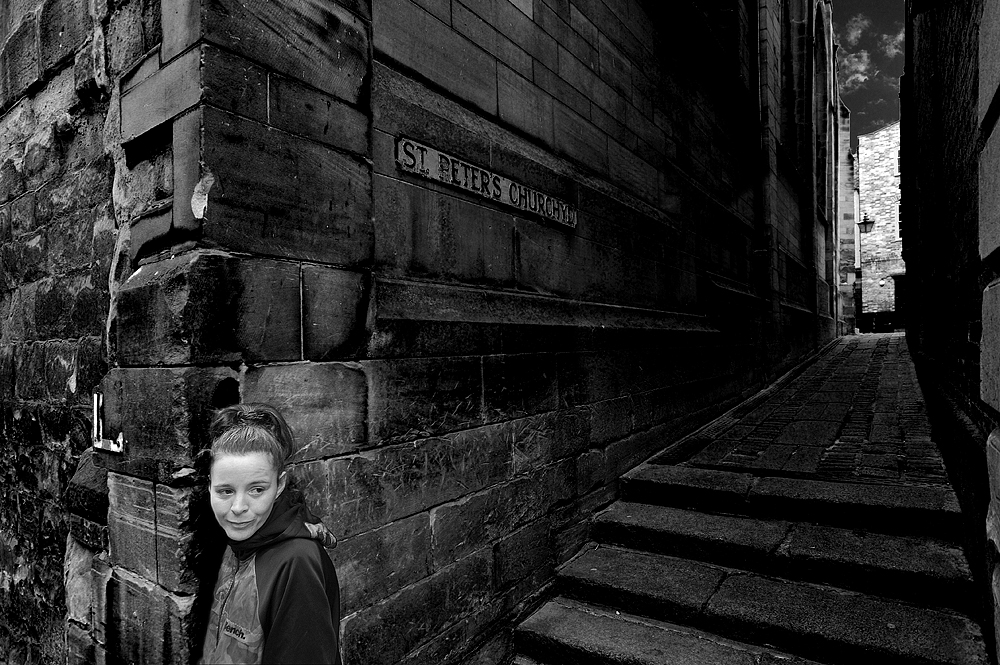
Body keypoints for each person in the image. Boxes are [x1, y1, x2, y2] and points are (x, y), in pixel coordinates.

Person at [200, 403, 341, 664]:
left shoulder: (297, 563)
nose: (239, 508)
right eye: (225, 491)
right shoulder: (239, 542)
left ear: (279, 486)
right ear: (209, 486)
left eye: (257, 490)